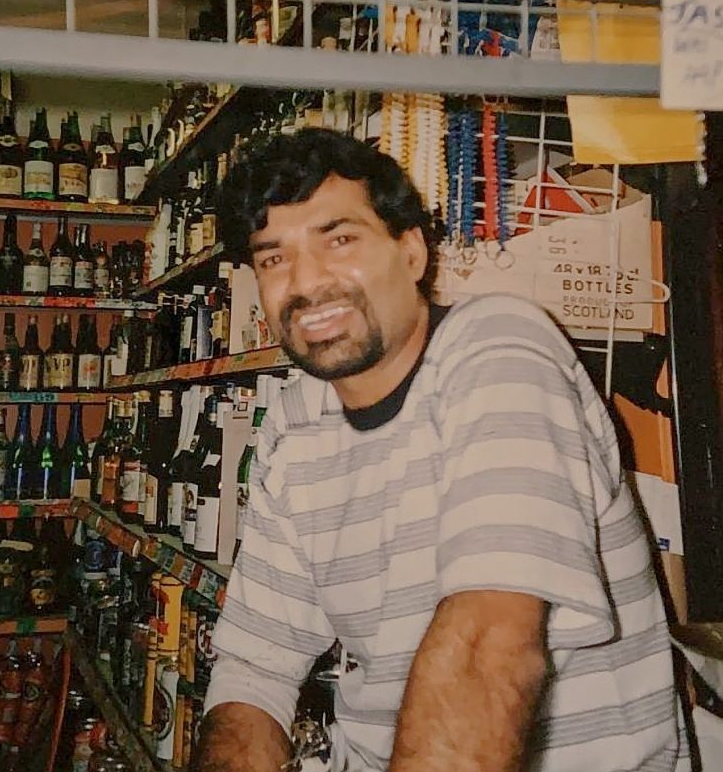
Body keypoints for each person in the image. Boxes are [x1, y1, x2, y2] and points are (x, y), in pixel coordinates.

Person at [196, 128, 690, 772]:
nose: (307, 281)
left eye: (339, 239)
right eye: (273, 258)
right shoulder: (295, 424)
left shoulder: (499, 347)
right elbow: (252, 667)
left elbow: (490, 642)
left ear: (411, 253)